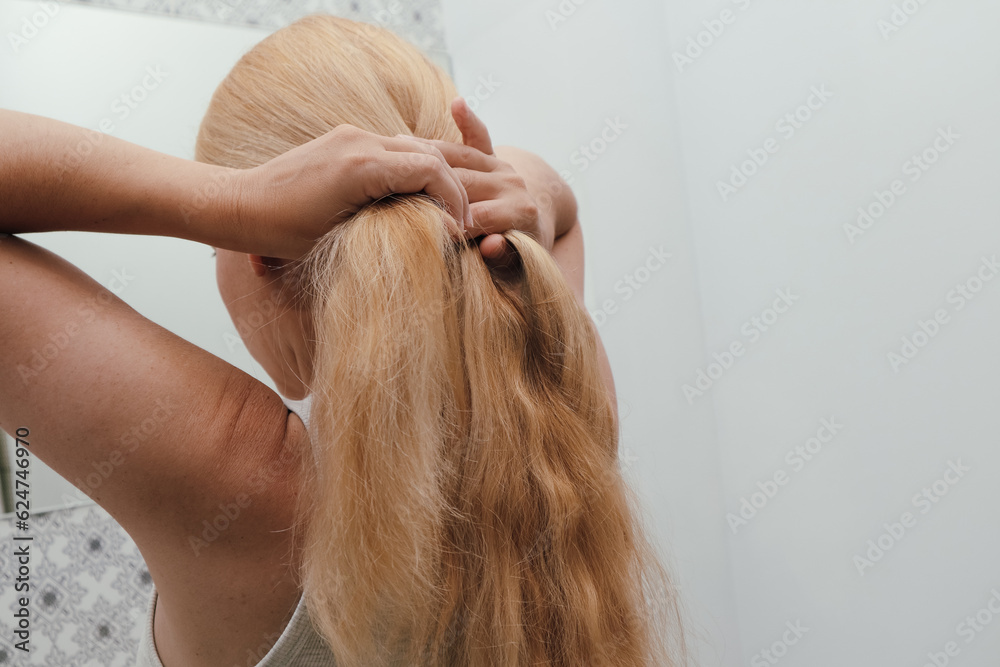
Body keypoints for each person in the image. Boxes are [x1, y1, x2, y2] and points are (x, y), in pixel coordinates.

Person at [0, 14, 686, 667]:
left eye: (220, 247)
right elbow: (559, 216)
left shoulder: (248, 492)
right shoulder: (563, 413)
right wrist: (513, 192)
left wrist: (232, 201)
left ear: (259, 253)